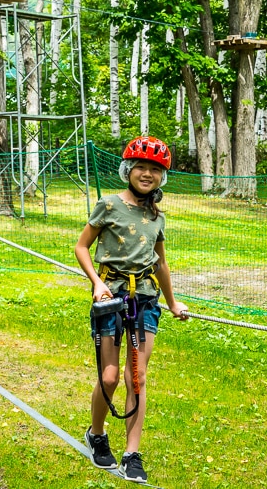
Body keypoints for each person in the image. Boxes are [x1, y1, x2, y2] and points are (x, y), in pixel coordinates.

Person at [75, 136, 188, 483]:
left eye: (155, 169)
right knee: (109, 377)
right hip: (110, 299)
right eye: (141, 166)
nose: (147, 174)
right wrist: (96, 282)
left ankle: (132, 454)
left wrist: (172, 302)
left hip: (145, 301)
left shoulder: (158, 217)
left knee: (136, 378)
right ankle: (97, 434)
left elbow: (161, 264)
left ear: (161, 177)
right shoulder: (108, 206)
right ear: (128, 169)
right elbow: (81, 247)